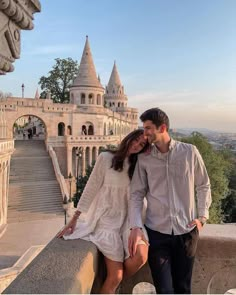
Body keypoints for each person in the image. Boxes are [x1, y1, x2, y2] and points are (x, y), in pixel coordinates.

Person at [128, 108, 212, 294]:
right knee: (164, 289)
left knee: (183, 288)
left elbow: (203, 185)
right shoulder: (144, 159)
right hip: (157, 234)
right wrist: (135, 226)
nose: (145, 133)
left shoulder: (189, 152)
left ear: (163, 127)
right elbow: (136, 194)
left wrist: (202, 217)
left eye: (148, 128)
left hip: (186, 232)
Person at [57, 129, 149, 294]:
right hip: (107, 220)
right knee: (116, 276)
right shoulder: (106, 158)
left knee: (141, 256)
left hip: (129, 221)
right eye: (135, 140)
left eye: (142, 144)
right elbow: (91, 188)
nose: (136, 145)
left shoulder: (139, 166)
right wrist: (74, 220)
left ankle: (112, 286)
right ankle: (112, 286)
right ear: (129, 138)